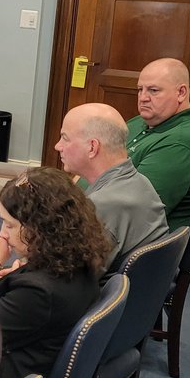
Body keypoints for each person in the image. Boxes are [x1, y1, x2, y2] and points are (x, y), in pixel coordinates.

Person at [0, 167, 110, 378]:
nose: (2, 234)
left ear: (39, 227)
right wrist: (16, 278)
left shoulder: (38, 293)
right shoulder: (77, 257)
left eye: (9, 225)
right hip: (33, 361)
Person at [56, 103, 168, 272]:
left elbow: (70, 279)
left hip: (109, 296)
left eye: (65, 138)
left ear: (92, 147)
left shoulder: (104, 204)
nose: (58, 146)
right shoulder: (139, 182)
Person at [127, 58, 190, 230]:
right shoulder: (142, 121)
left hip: (135, 246)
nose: (143, 98)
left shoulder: (179, 144)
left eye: (153, 90)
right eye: (140, 89)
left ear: (181, 92)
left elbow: (132, 214)